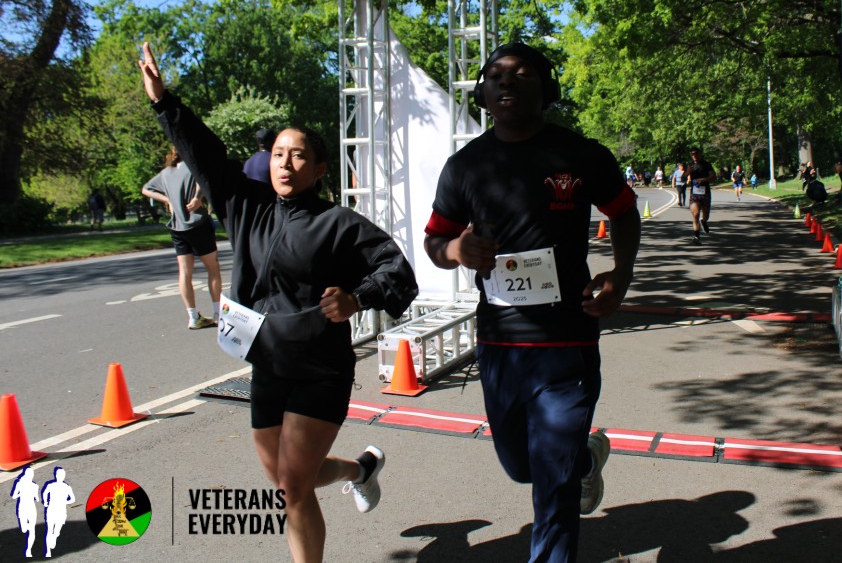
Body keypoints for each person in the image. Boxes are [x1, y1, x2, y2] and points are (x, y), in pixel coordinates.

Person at [139, 42, 418, 563]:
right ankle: (361, 470)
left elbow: (397, 270)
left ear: (319, 168)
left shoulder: (338, 224)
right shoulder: (244, 206)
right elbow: (205, 154)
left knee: (292, 486)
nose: (285, 163)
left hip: (319, 370)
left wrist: (357, 298)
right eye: (278, 154)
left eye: (299, 155)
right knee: (291, 480)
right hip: (267, 365)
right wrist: (163, 101)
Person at [423, 42, 641, 563]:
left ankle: (565, 489)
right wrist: (455, 250)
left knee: (552, 482)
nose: (507, 81)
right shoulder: (465, 166)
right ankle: (584, 461)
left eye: (522, 73)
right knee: (522, 466)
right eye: (495, 74)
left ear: (547, 89)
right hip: (500, 344)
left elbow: (624, 212)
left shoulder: (581, 154)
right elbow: (434, 241)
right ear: (483, 93)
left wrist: (621, 274)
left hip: (568, 339)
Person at [142, 146, 223, 330]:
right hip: (197, 223)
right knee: (212, 268)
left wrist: (168, 200)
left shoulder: (166, 172)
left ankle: (193, 316)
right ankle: (218, 313)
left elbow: (146, 189)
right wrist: (197, 198)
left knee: (185, 272)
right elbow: (204, 179)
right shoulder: (193, 165)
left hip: (177, 226)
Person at [41, 467, 74, 558]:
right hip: (51, 509)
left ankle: (54, 536)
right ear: (56, 475)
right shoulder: (51, 485)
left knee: (56, 531)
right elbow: (45, 493)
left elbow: (72, 499)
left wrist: (66, 502)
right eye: (59, 475)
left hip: (61, 511)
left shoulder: (67, 487)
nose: (61, 476)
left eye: (62, 475)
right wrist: (45, 501)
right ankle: (48, 551)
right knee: (49, 530)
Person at [687, 147, 716, 244]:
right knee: (695, 214)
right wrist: (687, 173)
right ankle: (697, 237)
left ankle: (703, 221)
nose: (694, 155)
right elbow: (683, 178)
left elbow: (713, 177)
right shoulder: (690, 165)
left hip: (705, 193)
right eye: (692, 154)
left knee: (706, 215)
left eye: (696, 153)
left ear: (700, 154)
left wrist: (703, 180)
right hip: (694, 194)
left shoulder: (706, 165)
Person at [10, 466, 39, 557]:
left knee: (31, 530)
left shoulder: (23, 484)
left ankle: (28, 550)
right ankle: (29, 536)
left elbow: (14, 496)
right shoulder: (32, 485)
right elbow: (37, 499)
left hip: (27, 508)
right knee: (25, 529)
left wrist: (20, 494)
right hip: (26, 508)